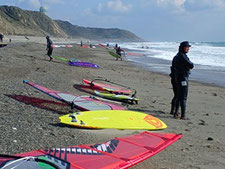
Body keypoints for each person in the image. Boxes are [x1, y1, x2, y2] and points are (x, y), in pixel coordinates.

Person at [171, 41, 194, 120]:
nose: (188, 49)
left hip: (177, 78)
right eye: (186, 47)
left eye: (188, 47)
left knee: (178, 96)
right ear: (182, 48)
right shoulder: (182, 56)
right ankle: (183, 115)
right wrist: (187, 66)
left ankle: (176, 113)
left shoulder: (177, 56)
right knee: (183, 97)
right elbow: (191, 65)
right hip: (183, 78)